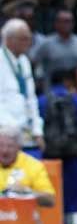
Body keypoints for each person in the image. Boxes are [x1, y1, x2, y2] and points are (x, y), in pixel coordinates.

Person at [39, 67, 77, 213]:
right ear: (68, 82)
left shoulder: (42, 101)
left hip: (49, 156)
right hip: (72, 156)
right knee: (73, 197)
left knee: (51, 192)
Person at [0, 19, 43, 156]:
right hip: (4, 132)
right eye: (23, 39)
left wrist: (38, 131)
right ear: (9, 39)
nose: (28, 43)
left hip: (25, 130)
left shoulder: (24, 61)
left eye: (29, 38)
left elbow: (31, 98)